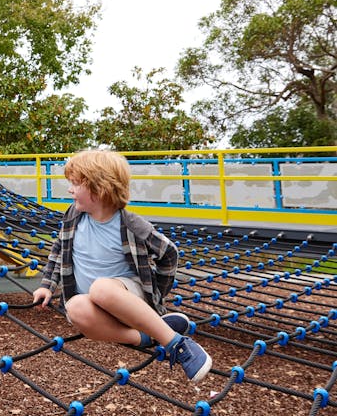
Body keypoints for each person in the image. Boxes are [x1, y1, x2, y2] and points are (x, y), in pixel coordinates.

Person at [33, 150, 212, 383]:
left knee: (102, 288)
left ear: (98, 190)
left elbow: (169, 254)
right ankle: (144, 336)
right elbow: (59, 250)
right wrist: (47, 285)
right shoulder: (73, 216)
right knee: (74, 306)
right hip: (99, 314)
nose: (70, 190)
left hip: (126, 297)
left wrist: (155, 294)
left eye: (75, 184)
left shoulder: (131, 225)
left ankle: (176, 343)